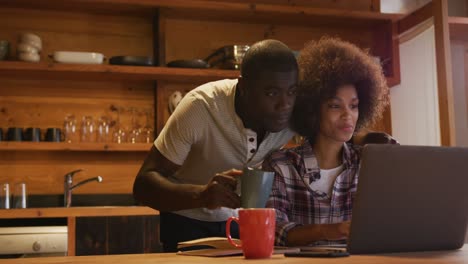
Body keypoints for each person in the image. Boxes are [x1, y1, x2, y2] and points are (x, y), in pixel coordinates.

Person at [133, 39, 299, 252]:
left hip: (245, 222)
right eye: (271, 93)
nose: (285, 105)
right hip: (186, 224)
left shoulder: (295, 111)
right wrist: (201, 195)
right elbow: (143, 186)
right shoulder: (200, 107)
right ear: (244, 88)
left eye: (292, 91)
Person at [263, 37, 391, 247]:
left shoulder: (368, 164)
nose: (347, 116)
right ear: (312, 110)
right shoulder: (281, 165)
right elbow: (274, 231)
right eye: (335, 106)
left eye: (354, 106)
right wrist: (329, 231)